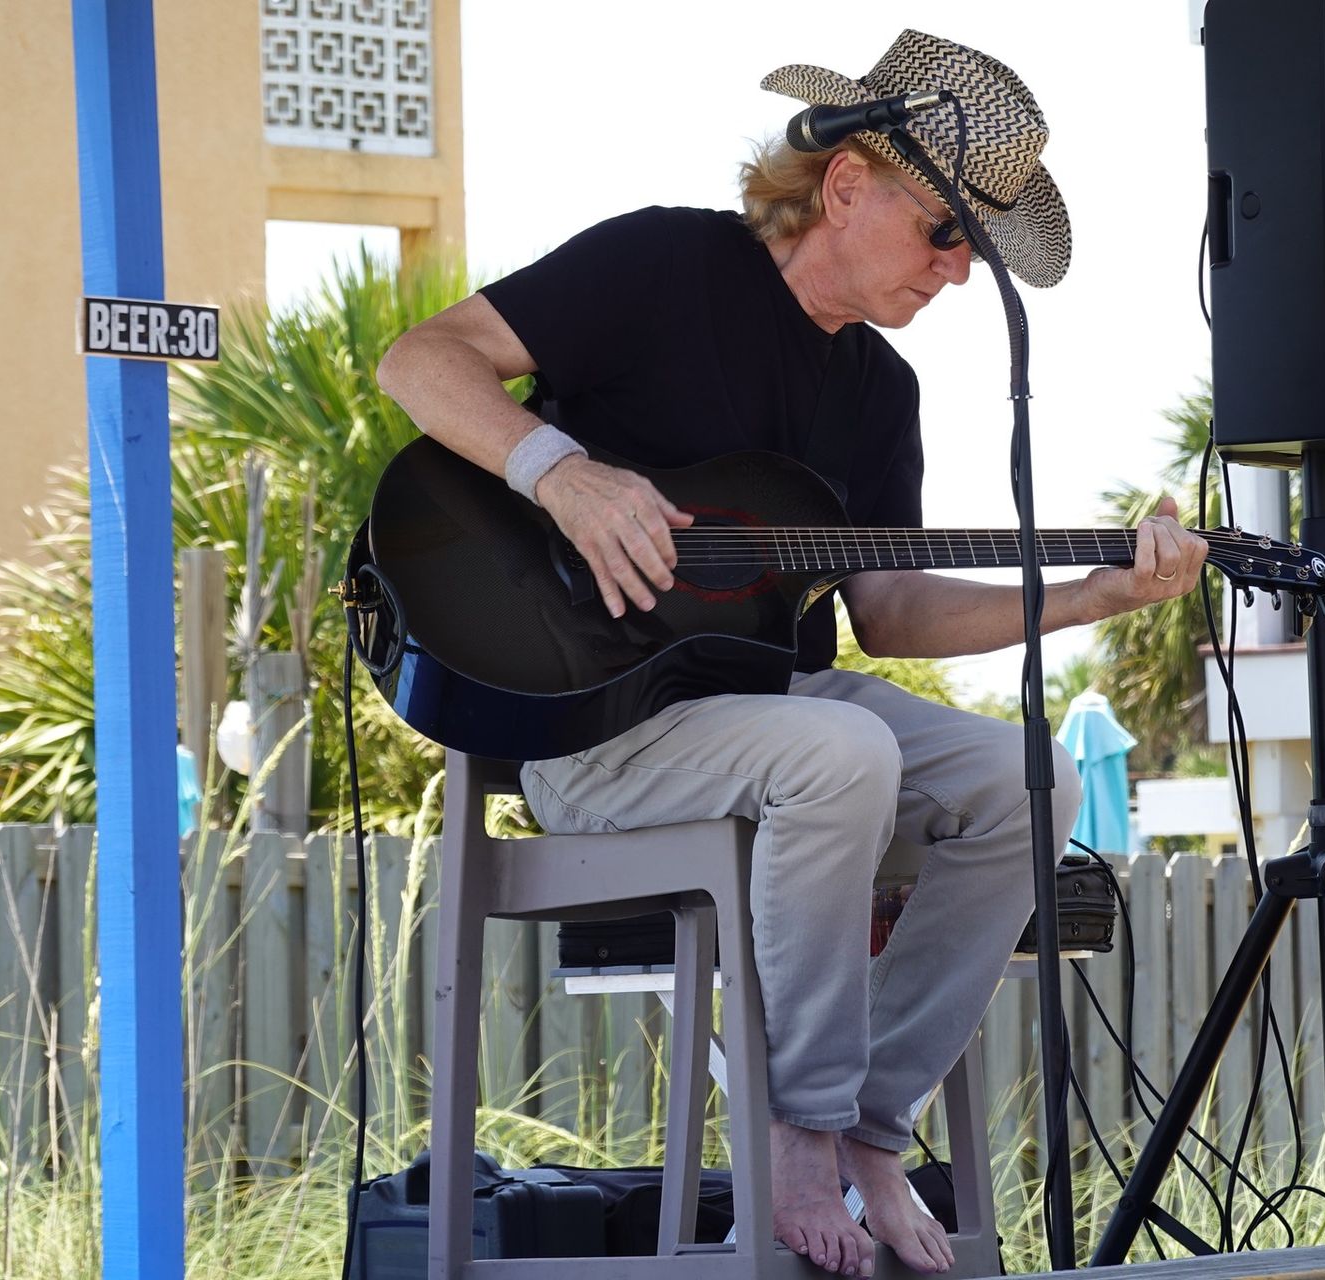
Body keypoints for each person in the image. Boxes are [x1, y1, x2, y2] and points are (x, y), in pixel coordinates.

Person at [376, 29, 1208, 1278]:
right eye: (947, 233)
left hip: (775, 709)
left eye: (977, 250)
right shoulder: (664, 262)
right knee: (842, 749)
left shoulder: (880, 393)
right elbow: (417, 360)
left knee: (1022, 776)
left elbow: (890, 613)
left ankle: (873, 1123)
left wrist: (1087, 597)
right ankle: (798, 1130)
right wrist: (568, 477)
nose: (962, 273)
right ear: (846, 184)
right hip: (595, 727)